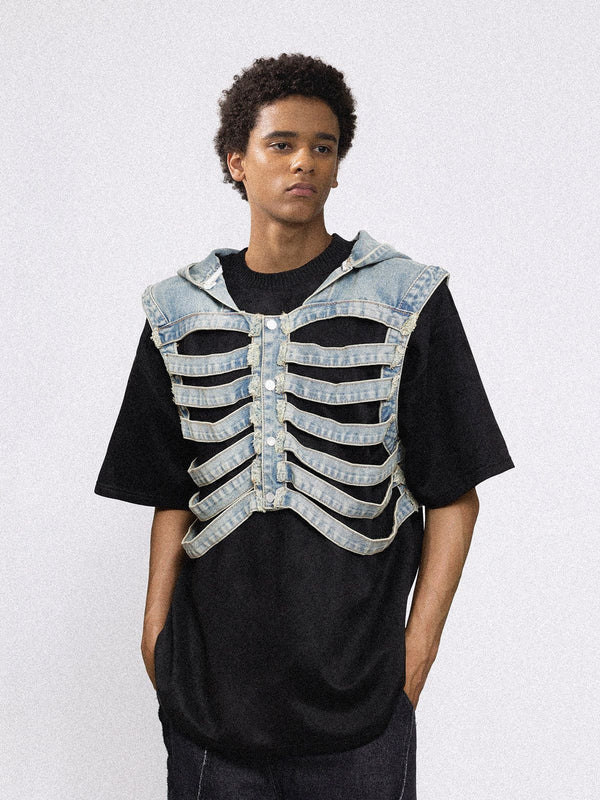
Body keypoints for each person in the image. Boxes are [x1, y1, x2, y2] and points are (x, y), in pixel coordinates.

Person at [95, 53, 514, 800]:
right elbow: (170, 492)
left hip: (360, 707)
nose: (305, 163)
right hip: (208, 706)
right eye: (281, 144)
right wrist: (155, 637)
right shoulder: (177, 311)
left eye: (324, 146)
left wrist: (415, 657)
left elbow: (455, 495)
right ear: (238, 161)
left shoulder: (406, 298)